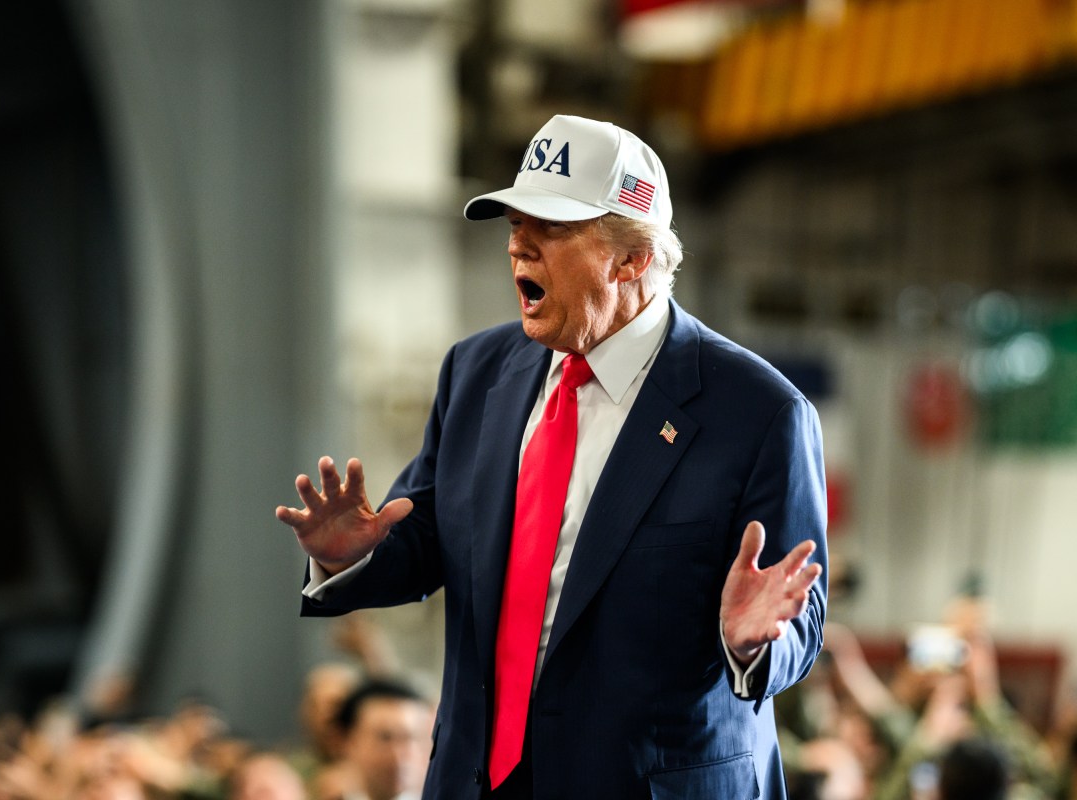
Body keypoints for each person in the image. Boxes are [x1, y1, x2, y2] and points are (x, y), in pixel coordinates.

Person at [276, 114, 828, 799]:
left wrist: (754, 643)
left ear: (631, 259)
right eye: (514, 224)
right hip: (480, 780)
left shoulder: (758, 413)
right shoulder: (476, 372)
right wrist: (349, 554)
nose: (518, 248)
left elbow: (797, 616)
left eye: (552, 228)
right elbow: (426, 537)